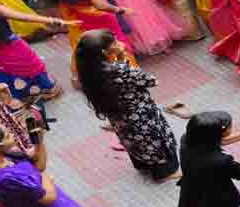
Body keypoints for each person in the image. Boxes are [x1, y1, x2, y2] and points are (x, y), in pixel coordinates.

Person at [74, 29, 180, 180]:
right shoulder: (119, 70)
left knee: (134, 140)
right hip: (140, 113)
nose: (119, 43)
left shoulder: (89, 69)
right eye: (115, 42)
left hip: (118, 115)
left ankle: (142, 165)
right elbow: (150, 81)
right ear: (104, 52)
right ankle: (164, 173)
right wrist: (123, 59)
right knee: (152, 140)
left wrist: (120, 57)